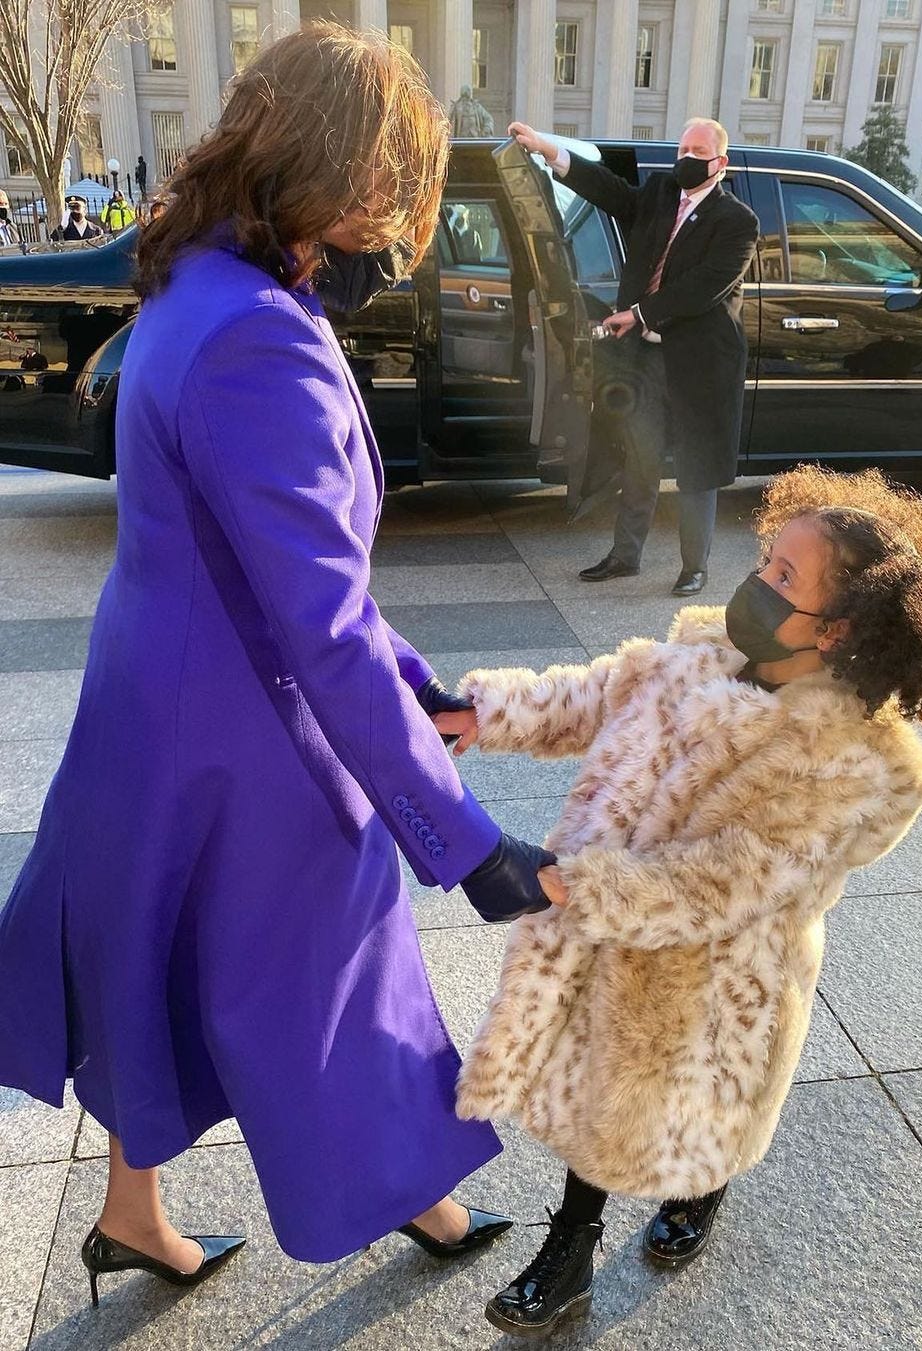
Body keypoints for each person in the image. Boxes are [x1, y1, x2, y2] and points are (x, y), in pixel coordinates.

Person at [0, 22, 560, 1306]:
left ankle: (137, 1216)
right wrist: (466, 841)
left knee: (153, 952)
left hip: (160, 708)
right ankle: (424, 1193)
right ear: (340, 180)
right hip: (247, 738)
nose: (398, 229)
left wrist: (416, 680)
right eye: (392, 196)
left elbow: (275, 566)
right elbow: (318, 620)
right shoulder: (262, 333)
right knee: (342, 962)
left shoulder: (198, 281)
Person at [437, 464, 922, 1336]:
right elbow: (602, 693)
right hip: (612, 926)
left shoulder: (846, 762)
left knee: (698, 1099)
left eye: (783, 578)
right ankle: (573, 1241)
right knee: (599, 1102)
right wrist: (485, 713)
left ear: (839, 629)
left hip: (719, 969)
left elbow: (717, 884)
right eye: (766, 558)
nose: (755, 583)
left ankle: (705, 1181)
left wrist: (558, 880)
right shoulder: (705, 651)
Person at [508, 118, 759, 597]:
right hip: (644, 358)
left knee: (696, 467)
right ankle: (625, 556)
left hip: (700, 367)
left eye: (698, 150)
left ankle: (693, 568)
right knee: (640, 456)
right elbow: (611, 191)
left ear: (719, 163)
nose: (686, 156)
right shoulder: (663, 193)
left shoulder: (738, 221)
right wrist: (548, 150)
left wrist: (639, 312)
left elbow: (705, 287)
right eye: (683, 147)